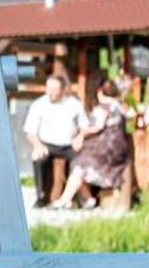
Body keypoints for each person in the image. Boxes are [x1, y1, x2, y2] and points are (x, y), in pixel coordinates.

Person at [53, 80, 134, 211]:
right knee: (79, 162)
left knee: (79, 163)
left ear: (100, 92)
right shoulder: (119, 106)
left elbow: (97, 127)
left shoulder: (103, 108)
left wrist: (82, 134)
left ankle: (65, 199)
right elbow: (131, 114)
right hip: (119, 149)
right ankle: (87, 198)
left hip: (105, 150)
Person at [22, 74, 81, 208]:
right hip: (46, 145)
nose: (51, 93)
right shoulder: (38, 105)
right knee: (38, 158)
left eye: (55, 89)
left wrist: (81, 136)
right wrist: (37, 145)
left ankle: (77, 197)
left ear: (62, 90)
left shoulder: (74, 104)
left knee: (83, 160)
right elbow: (30, 132)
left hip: (69, 145)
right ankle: (42, 196)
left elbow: (84, 125)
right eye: (49, 89)